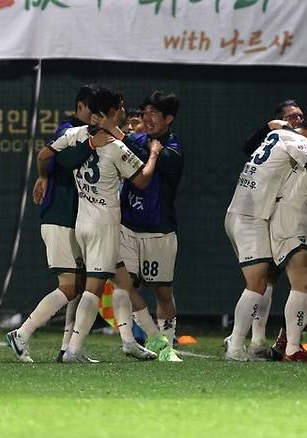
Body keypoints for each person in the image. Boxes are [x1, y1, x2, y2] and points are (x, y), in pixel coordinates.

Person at [43, 86, 162, 363]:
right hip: (104, 224)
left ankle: (130, 340)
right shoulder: (114, 146)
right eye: (120, 107)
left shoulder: (76, 135)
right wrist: (154, 154)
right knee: (92, 290)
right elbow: (142, 180)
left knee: (123, 280)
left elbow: (47, 154)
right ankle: (70, 349)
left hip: (83, 221)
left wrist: (43, 176)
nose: (123, 111)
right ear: (110, 112)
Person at [224, 110, 307, 361]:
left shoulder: (280, 132)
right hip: (252, 216)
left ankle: (256, 341)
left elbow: (273, 123)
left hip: (243, 211)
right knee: (258, 283)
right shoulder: (300, 141)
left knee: (265, 281)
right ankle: (236, 345)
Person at [6, 85, 99, 363]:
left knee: (80, 286)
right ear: (80, 107)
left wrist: (44, 176)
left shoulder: (93, 133)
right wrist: (43, 176)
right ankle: (22, 333)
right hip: (59, 219)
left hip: (76, 220)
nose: (95, 117)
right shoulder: (68, 130)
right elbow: (48, 155)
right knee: (70, 286)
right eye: (92, 111)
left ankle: (69, 349)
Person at [96, 91, 184, 362]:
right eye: (145, 113)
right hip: (128, 226)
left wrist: (124, 138)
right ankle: (136, 340)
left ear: (168, 118)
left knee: (163, 291)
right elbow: (129, 146)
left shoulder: (174, 149)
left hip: (159, 229)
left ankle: (167, 344)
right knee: (124, 284)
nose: (147, 118)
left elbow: (150, 156)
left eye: (154, 114)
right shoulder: (136, 139)